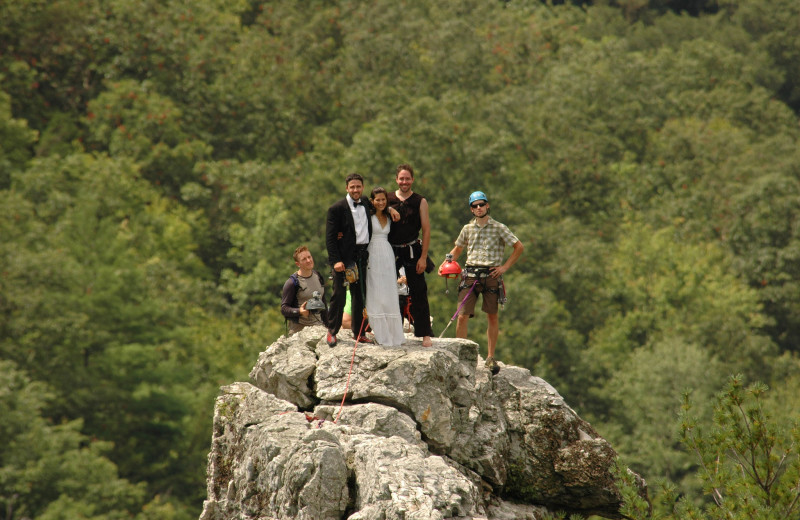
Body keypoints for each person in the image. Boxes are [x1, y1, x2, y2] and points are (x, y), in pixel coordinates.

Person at [441, 191, 523, 374]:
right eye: (475, 206)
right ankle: (461, 354)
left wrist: (504, 268)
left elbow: (518, 246)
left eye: (481, 204)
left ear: (488, 206)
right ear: (471, 209)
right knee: (462, 315)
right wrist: (446, 262)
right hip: (470, 274)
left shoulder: (499, 227)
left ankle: (490, 357)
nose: (478, 208)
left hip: (491, 275)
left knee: (492, 316)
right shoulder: (467, 229)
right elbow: (458, 248)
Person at [387, 164, 433, 347]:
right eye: (401, 178)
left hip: (413, 249)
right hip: (391, 249)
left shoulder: (420, 201)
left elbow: (427, 230)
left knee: (418, 291)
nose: (404, 182)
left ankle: (424, 334)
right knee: (389, 291)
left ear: (412, 180)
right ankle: (392, 331)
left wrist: (423, 257)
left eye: (407, 178)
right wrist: (388, 209)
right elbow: (371, 204)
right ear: (396, 180)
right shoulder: (388, 199)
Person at [325, 173, 374, 346]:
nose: (355, 190)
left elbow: (382, 204)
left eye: (358, 186)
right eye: (352, 187)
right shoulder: (336, 209)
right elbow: (330, 239)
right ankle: (332, 331)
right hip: (343, 259)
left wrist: (390, 209)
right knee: (339, 295)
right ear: (347, 188)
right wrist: (336, 261)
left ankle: (359, 332)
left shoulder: (367, 203)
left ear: (363, 187)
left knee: (359, 295)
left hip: (361, 256)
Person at [365, 187, 406, 346]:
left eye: (384, 200)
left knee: (389, 291)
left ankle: (394, 335)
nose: (381, 202)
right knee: (376, 291)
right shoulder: (368, 215)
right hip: (373, 252)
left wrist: (390, 209)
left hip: (387, 254)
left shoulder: (389, 216)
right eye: (378, 200)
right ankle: (380, 333)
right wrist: (388, 207)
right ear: (372, 201)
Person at [280, 245, 328, 335]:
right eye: (304, 259)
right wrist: (299, 311)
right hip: (299, 331)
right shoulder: (292, 283)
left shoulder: (317, 276)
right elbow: (284, 309)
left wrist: (329, 326)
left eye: (309, 257)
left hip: (319, 326)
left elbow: (323, 302)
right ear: (298, 264)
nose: (308, 261)